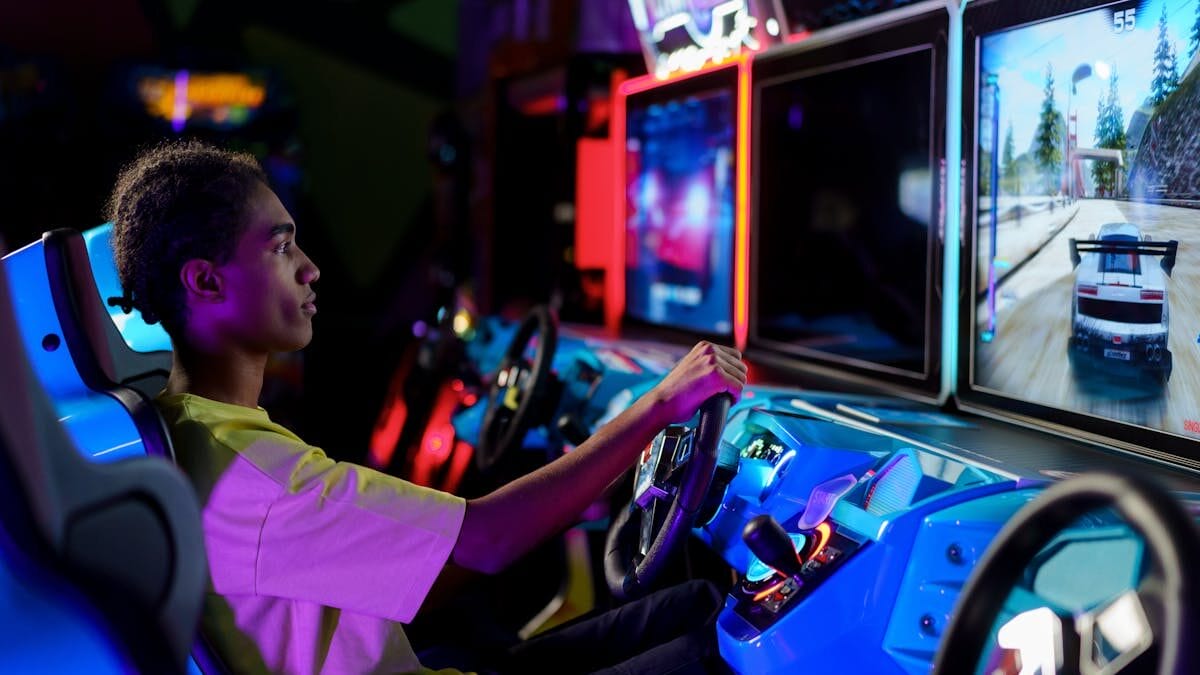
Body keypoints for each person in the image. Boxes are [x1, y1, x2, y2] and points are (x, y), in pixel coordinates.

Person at [108, 140, 747, 675]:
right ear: (206, 281)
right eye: (280, 248)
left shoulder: (193, 426)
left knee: (698, 606)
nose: (311, 269)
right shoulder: (249, 470)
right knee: (722, 654)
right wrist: (660, 405)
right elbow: (488, 542)